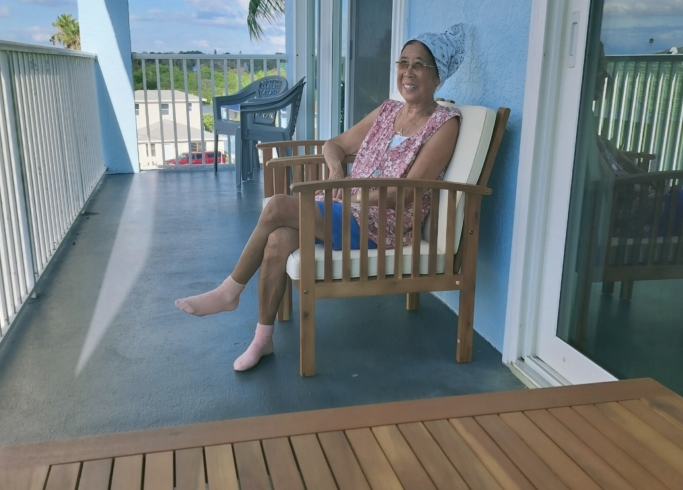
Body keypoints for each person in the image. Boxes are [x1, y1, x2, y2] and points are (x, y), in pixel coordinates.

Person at [175, 24, 466, 371]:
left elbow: (409, 192)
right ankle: (262, 339)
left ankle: (228, 292)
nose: (408, 71)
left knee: (279, 204)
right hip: (346, 210)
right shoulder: (389, 112)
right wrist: (336, 172)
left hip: (381, 226)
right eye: (403, 62)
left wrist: (351, 198)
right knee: (278, 239)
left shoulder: (444, 123)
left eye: (420, 64)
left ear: (437, 77)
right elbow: (335, 145)